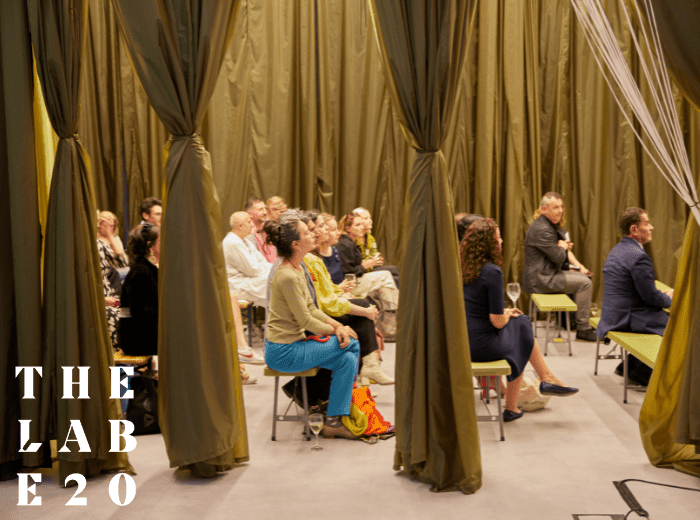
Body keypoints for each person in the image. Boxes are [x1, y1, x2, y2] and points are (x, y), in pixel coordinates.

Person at [461, 218, 579, 422]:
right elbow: (497, 321)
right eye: (498, 237)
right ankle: (524, 396)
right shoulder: (491, 271)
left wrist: (505, 314)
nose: (502, 240)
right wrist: (506, 313)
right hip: (481, 346)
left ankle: (539, 384)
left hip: (462, 342)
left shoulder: (461, 268)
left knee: (520, 326)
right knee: (523, 325)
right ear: (488, 243)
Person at [264, 211, 361, 439]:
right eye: (308, 232)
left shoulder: (299, 268)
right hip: (283, 352)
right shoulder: (287, 274)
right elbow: (306, 320)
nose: (314, 233)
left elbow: (313, 309)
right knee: (352, 344)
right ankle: (334, 416)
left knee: (347, 357)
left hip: (295, 345)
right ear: (297, 244)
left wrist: (337, 326)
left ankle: (333, 418)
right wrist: (339, 329)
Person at [304, 212, 393, 385]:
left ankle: (361, 376)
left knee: (364, 308)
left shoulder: (326, 254)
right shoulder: (311, 259)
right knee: (362, 310)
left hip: (325, 307)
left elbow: (328, 291)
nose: (335, 232)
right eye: (317, 228)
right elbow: (325, 302)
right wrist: (362, 311)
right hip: (314, 319)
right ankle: (364, 372)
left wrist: (343, 294)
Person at [597, 208, 673, 386]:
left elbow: (641, 291)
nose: (651, 227)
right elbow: (650, 297)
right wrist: (671, 300)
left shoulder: (617, 250)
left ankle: (628, 366)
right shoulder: (638, 257)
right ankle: (643, 372)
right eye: (646, 224)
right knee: (677, 326)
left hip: (613, 314)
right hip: (628, 317)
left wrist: (661, 295)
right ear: (634, 230)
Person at [522, 192, 597, 341]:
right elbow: (558, 257)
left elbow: (556, 255)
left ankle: (572, 322)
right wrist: (562, 247)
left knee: (581, 277)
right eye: (555, 207)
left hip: (543, 275)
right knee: (585, 283)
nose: (560, 210)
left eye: (561, 206)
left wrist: (562, 248)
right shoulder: (543, 229)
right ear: (544, 209)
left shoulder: (546, 225)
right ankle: (583, 328)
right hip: (542, 280)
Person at [336, 213, 398, 313]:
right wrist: (365, 266)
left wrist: (367, 263)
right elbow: (348, 273)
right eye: (357, 225)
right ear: (348, 228)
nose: (362, 227)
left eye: (362, 224)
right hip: (349, 286)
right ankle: (392, 311)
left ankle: (389, 309)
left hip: (357, 279)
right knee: (386, 276)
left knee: (390, 275)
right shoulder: (344, 245)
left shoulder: (351, 242)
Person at [118, 223, 160, 356]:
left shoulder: (149, 269)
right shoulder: (140, 272)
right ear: (150, 246)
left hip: (145, 333)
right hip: (136, 339)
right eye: (161, 241)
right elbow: (140, 314)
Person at [222, 211, 271, 308]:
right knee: (275, 280)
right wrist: (265, 269)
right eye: (249, 222)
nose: (252, 225)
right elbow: (252, 270)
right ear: (240, 226)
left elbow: (262, 262)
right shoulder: (232, 242)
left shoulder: (246, 241)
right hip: (237, 285)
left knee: (277, 274)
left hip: (249, 279)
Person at [97, 211, 127, 351]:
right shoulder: (92, 244)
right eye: (105, 221)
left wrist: (109, 235)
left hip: (110, 294)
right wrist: (102, 299)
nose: (109, 224)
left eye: (112, 222)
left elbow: (122, 263)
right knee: (118, 317)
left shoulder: (105, 245)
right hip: (99, 299)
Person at [352, 207, 400, 288]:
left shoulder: (370, 238)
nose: (370, 220)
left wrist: (377, 259)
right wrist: (371, 262)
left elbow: (374, 253)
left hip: (371, 268)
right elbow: (358, 263)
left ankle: (394, 299)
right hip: (362, 272)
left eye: (370, 218)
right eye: (366, 218)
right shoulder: (354, 239)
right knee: (392, 271)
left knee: (394, 273)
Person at [245, 196, 276, 263]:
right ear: (249, 214)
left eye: (265, 209)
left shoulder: (267, 229)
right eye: (260, 209)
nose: (265, 212)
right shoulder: (247, 233)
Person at [319, 214, 345, 285]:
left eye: (337, 229)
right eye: (334, 230)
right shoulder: (314, 256)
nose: (338, 232)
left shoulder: (335, 251)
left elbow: (340, 279)